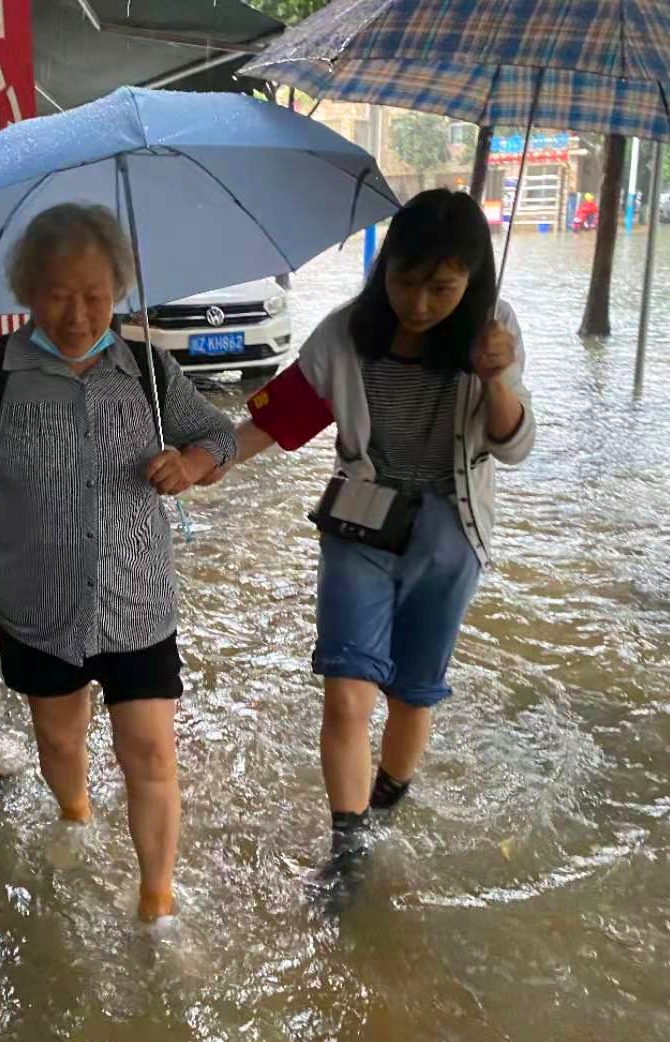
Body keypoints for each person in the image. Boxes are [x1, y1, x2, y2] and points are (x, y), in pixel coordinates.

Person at [0, 203, 236, 922]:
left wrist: (195, 460)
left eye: (95, 293)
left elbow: (216, 431)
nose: (78, 313)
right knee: (58, 738)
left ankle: (156, 902)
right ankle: (76, 815)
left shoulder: (146, 367)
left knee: (149, 753)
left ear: (119, 287)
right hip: (34, 598)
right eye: (58, 293)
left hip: (135, 596)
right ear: (27, 290)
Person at [205, 190, 535, 907]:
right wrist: (203, 463)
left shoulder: (493, 333)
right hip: (360, 525)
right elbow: (276, 421)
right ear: (384, 269)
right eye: (406, 281)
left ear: (471, 283)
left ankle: (388, 797)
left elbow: (512, 446)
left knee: (414, 693)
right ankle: (348, 848)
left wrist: (497, 377)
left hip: (451, 535)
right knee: (347, 689)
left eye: (442, 289)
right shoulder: (344, 336)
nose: (419, 303)